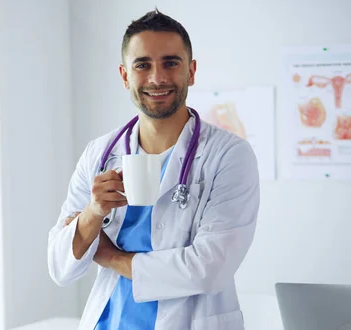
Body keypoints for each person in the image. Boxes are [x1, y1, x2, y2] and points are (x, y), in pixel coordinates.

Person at [47, 9, 260, 330]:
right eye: (142, 64)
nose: (157, 78)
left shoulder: (229, 155)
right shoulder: (99, 154)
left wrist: (109, 256)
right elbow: (60, 267)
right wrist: (92, 213)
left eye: (171, 63)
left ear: (191, 71)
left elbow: (209, 268)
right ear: (124, 75)